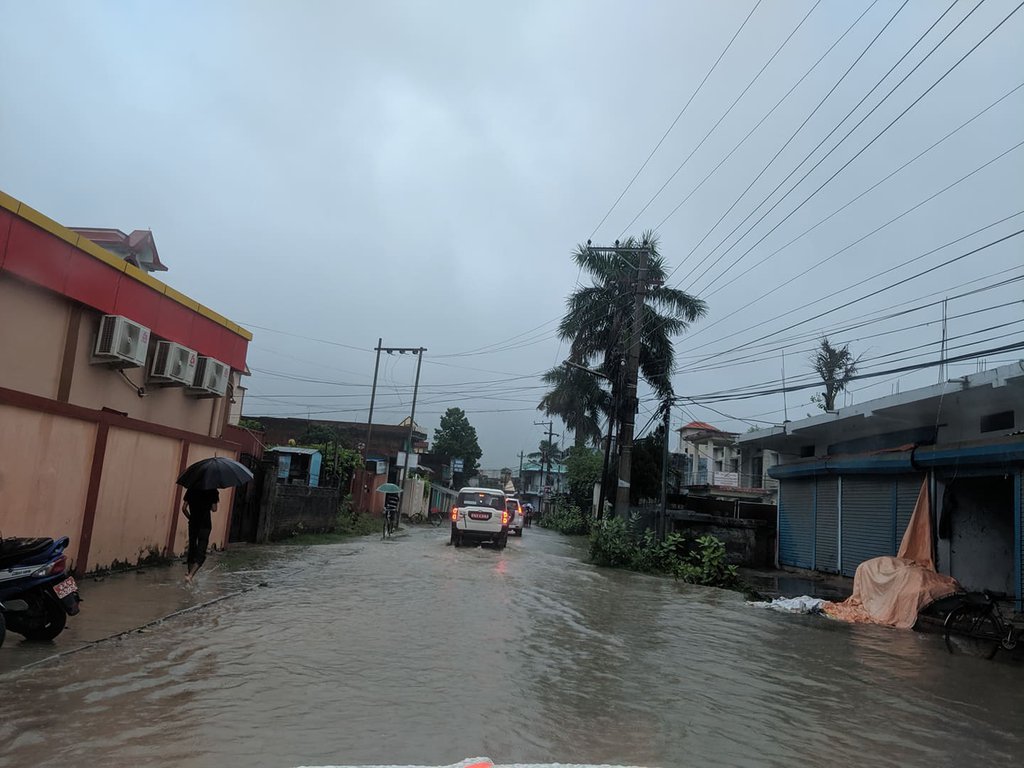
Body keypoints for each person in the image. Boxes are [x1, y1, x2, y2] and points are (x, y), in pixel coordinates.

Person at [182, 485, 219, 583]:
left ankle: (189, 574)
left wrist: (190, 518)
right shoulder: (213, 490)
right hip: (205, 525)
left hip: (193, 524)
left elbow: (184, 508)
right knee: (201, 551)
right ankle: (190, 575)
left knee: (192, 548)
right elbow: (214, 509)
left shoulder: (191, 489)